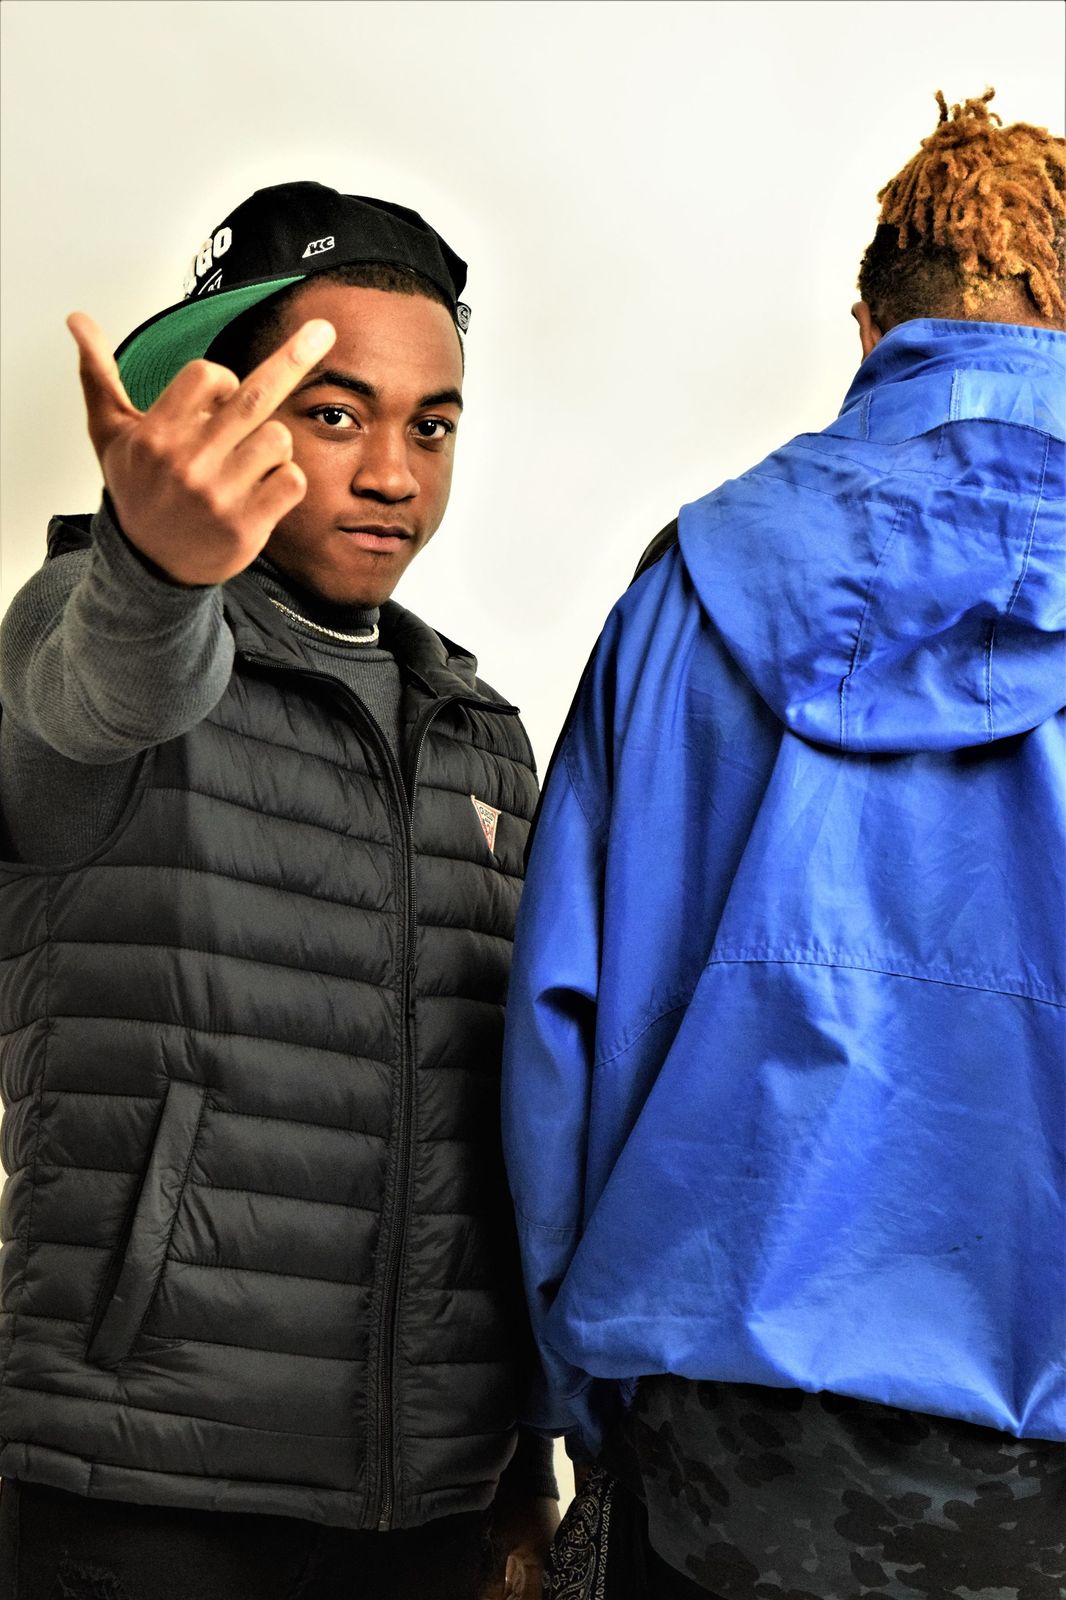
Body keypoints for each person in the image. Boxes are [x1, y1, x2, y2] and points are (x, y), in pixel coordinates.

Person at [501, 90, 1065, 1599]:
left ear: (870, 333)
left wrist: (577, 1398)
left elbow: (556, 1027)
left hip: (718, 1450)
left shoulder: (681, 589)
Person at [0, 181, 558, 1600]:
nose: (393, 474)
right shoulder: (94, 621)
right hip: (142, 1485)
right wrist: (149, 569)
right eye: (336, 413)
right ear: (231, 412)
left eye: (431, 425)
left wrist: (517, 1455)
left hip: (425, 1500)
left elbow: (500, 1116)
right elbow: (98, 693)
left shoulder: (480, 733)